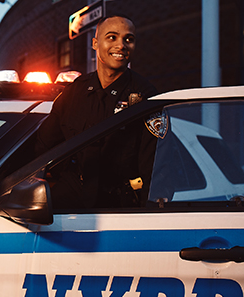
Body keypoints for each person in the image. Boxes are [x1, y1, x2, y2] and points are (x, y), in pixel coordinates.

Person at [35, 15, 158, 209]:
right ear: (95, 44)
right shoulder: (74, 92)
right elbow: (43, 146)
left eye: (129, 39)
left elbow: (153, 165)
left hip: (120, 203)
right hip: (72, 195)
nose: (121, 45)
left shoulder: (145, 95)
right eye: (112, 37)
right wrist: (66, 174)